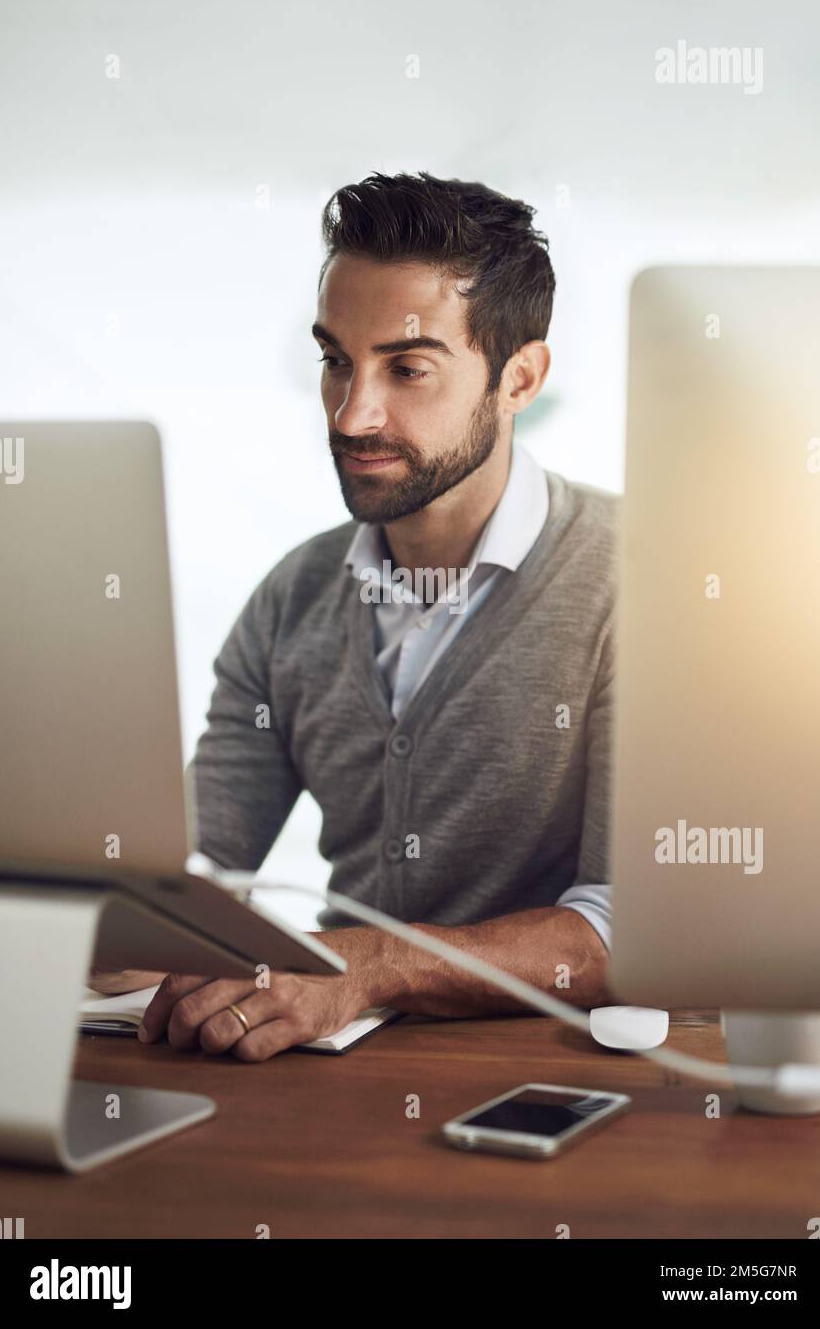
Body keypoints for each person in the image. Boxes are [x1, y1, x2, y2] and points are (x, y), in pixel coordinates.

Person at [98, 171, 618, 1060]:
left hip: (548, 1084)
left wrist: (365, 969)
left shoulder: (638, 583)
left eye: (406, 367)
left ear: (519, 377)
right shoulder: (292, 597)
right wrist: (93, 913)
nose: (352, 412)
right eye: (336, 359)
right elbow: (195, 873)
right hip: (323, 1082)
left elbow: (628, 932)